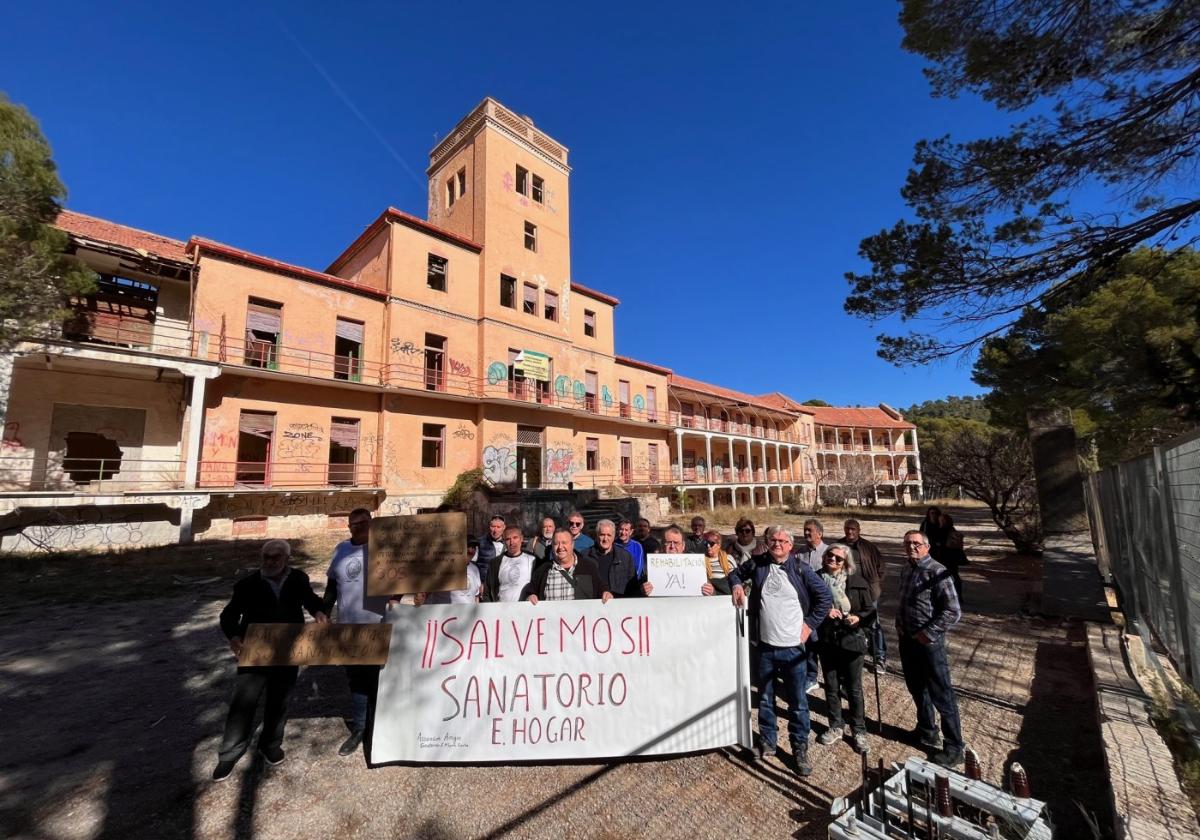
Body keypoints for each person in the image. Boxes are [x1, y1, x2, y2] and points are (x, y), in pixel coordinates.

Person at [213, 540, 328, 781]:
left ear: (286, 558)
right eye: (266, 557)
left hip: (288, 647)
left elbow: (310, 600)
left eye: (276, 557)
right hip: (255, 651)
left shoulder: (298, 579)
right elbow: (229, 615)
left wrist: (319, 611)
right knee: (244, 701)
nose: (270, 561)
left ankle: (271, 744)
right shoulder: (247, 585)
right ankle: (229, 753)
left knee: (280, 698)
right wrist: (234, 636)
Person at [730, 527, 832, 777]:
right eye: (773, 540)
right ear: (767, 543)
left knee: (797, 702)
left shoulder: (800, 569)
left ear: (790, 545)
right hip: (765, 646)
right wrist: (737, 586)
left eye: (782, 541)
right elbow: (734, 573)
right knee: (765, 698)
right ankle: (768, 741)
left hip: (794, 649)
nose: (777, 544)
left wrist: (809, 625)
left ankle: (799, 748)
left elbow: (825, 598)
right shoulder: (758, 564)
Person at [897, 530, 965, 767]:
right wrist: (900, 626)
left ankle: (955, 746)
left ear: (926, 547)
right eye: (908, 543)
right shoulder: (907, 568)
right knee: (917, 688)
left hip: (929, 644)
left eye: (916, 543)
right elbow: (904, 601)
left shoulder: (937, 572)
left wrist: (928, 633)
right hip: (908, 640)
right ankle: (927, 730)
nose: (911, 547)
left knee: (942, 694)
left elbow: (953, 611)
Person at [323, 508, 388, 757]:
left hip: (379, 624)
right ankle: (360, 729)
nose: (358, 527)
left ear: (372, 524)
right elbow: (332, 586)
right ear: (348, 527)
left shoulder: (384, 549)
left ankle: (379, 730)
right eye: (353, 524)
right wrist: (324, 612)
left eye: (363, 523)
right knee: (357, 682)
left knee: (378, 681)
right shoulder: (341, 549)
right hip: (349, 627)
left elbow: (404, 580)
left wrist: (398, 599)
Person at [815, 544, 875, 754]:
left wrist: (858, 618)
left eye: (838, 558)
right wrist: (824, 612)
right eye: (829, 555)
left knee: (853, 688)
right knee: (831, 687)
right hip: (827, 640)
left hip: (852, 641)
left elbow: (870, 611)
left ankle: (859, 730)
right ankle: (836, 726)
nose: (833, 560)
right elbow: (805, 605)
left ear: (845, 563)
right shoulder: (814, 578)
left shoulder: (857, 582)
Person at [839, 519, 887, 672]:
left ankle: (879, 658)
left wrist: (875, 584)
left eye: (853, 529)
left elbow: (881, 567)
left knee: (874, 624)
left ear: (859, 530)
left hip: (868, 593)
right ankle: (853, 654)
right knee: (848, 623)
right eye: (847, 529)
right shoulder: (839, 545)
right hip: (847, 593)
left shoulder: (869, 547)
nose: (850, 532)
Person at [524, 529, 609, 602]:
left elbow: (600, 588)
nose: (560, 547)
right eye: (556, 543)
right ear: (552, 546)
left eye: (564, 543)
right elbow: (530, 591)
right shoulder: (543, 570)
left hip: (581, 620)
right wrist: (530, 596)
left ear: (572, 545)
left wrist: (606, 593)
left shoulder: (589, 567)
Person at [793, 519, 829, 692]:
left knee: (827, 643)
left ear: (819, 533)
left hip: (825, 604)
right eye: (805, 530)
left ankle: (835, 680)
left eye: (810, 531)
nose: (806, 533)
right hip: (806, 605)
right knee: (810, 642)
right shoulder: (799, 553)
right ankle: (812, 676)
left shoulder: (829, 552)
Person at [644, 525, 713, 595]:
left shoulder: (695, 564)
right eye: (668, 542)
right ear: (662, 544)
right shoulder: (652, 565)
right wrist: (643, 591)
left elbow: (711, 592)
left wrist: (711, 591)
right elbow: (638, 592)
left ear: (683, 546)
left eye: (676, 543)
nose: (672, 546)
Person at [585, 519, 642, 597]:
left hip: (618, 605)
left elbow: (633, 587)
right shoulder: (585, 556)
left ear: (614, 536)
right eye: (602, 535)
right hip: (592, 604)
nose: (605, 539)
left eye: (609, 535)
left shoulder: (625, 557)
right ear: (596, 535)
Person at [482, 526, 536, 602]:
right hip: (501, 611)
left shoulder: (532, 560)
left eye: (515, 538)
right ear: (504, 541)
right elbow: (487, 593)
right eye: (508, 539)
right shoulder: (495, 563)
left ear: (521, 539)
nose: (512, 542)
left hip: (525, 611)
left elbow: (539, 588)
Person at [937, 512, 967, 601]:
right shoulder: (953, 529)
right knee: (954, 575)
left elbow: (940, 543)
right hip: (954, 556)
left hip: (945, 556)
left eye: (942, 520)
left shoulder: (942, 530)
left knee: (944, 575)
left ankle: (948, 595)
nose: (940, 521)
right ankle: (958, 595)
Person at [702, 529, 735, 595]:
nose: (708, 546)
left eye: (711, 543)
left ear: (719, 545)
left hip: (727, 595)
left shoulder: (729, 558)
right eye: (706, 543)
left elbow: (734, 577)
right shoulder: (701, 560)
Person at [475, 515, 506, 580]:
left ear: (504, 527)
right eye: (493, 526)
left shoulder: (508, 543)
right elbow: (472, 565)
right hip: (484, 584)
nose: (495, 530)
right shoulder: (479, 543)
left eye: (498, 527)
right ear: (489, 527)